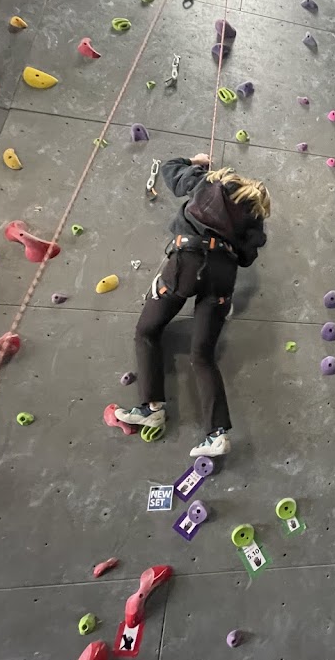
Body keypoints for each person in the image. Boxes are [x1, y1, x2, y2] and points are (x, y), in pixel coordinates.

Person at [114, 154, 270, 457]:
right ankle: (216, 435)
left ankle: (152, 408)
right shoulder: (254, 215)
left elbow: (171, 171)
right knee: (202, 356)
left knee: (147, 331)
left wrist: (194, 161)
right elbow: (247, 257)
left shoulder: (210, 182)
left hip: (188, 261)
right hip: (223, 275)